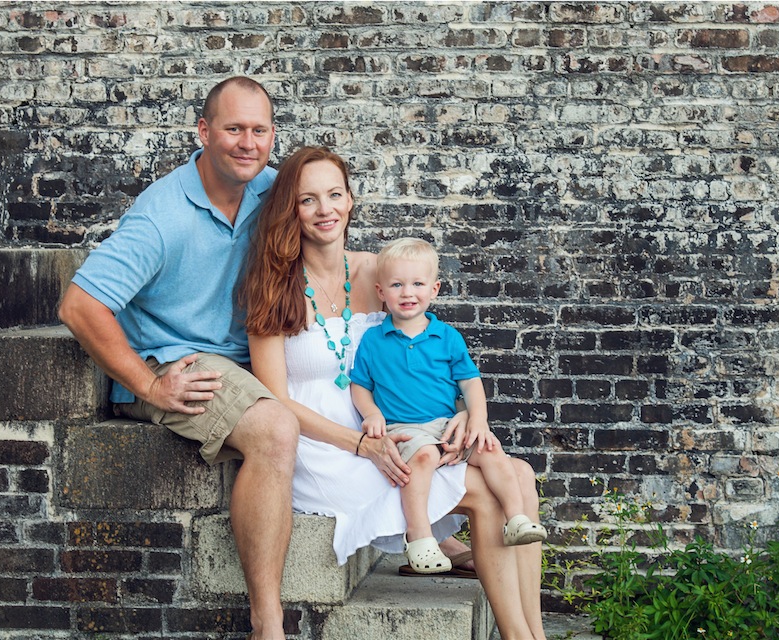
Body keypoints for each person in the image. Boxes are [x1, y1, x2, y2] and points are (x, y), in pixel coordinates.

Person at [244, 146, 546, 639]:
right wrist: (361, 444)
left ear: (350, 199)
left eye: (335, 195)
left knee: (521, 474)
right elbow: (275, 401)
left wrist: (457, 415)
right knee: (489, 496)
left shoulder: (378, 272)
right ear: (289, 210)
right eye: (308, 200)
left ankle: (534, 633)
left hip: (394, 428)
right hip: (325, 448)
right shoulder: (272, 287)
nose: (326, 210)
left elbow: (416, 356)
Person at [58, 76, 299, 640]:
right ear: (204, 132)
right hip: (181, 363)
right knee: (275, 430)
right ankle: (268, 621)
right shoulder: (162, 216)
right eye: (234, 128)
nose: (248, 142)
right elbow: (78, 305)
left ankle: (424, 530)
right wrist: (148, 385)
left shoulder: (272, 190)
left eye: (259, 130)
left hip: (253, 353)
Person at [350, 237, 547, 574]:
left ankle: (516, 518)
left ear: (435, 288)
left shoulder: (447, 337)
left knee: (489, 450)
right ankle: (421, 538)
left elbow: (470, 383)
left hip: (445, 423)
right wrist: (371, 414)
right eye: (397, 285)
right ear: (382, 292)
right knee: (423, 457)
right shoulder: (373, 340)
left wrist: (479, 420)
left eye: (417, 284)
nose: (408, 292)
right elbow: (360, 387)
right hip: (404, 427)